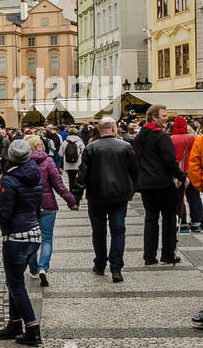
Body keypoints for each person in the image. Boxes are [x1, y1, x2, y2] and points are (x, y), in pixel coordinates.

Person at [0, 139, 44, 346]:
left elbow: (6, 214)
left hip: (16, 238)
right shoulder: (36, 175)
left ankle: (32, 328)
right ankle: (14, 323)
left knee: (16, 284)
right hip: (33, 234)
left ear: (10, 157)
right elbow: (37, 207)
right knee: (15, 280)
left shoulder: (10, 181)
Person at [74, 115, 138, 282]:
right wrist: (132, 190)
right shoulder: (126, 147)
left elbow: (82, 175)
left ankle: (101, 263)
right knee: (118, 230)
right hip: (119, 196)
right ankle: (116, 268)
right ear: (114, 129)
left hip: (96, 196)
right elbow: (135, 171)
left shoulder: (91, 148)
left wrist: (77, 196)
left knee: (99, 232)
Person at [25, 131, 78, 287]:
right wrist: (71, 201)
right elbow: (59, 186)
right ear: (37, 146)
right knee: (47, 238)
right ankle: (43, 268)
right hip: (48, 205)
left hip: (29, 206)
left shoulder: (23, 162)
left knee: (32, 239)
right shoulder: (48, 161)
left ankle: (34, 269)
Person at [134, 105, 183, 266]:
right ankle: (168, 254)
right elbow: (170, 160)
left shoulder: (140, 136)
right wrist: (181, 175)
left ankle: (149, 256)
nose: (166, 117)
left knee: (151, 219)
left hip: (146, 184)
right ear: (154, 117)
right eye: (163, 115)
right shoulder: (161, 136)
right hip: (162, 183)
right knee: (169, 218)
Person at [170, 116, 201, 233]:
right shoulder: (192, 138)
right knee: (194, 197)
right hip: (192, 172)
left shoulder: (170, 139)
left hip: (178, 173)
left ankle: (182, 224)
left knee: (179, 199)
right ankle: (196, 223)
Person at [60, 125, 85, 193]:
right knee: (78, 179)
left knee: (71, 179)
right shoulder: (80, 142)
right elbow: (84, 153)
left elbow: (60, 154)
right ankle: (77, 192)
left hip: (68, 164)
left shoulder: (65, 142)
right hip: (78, 163)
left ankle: (71, 192)